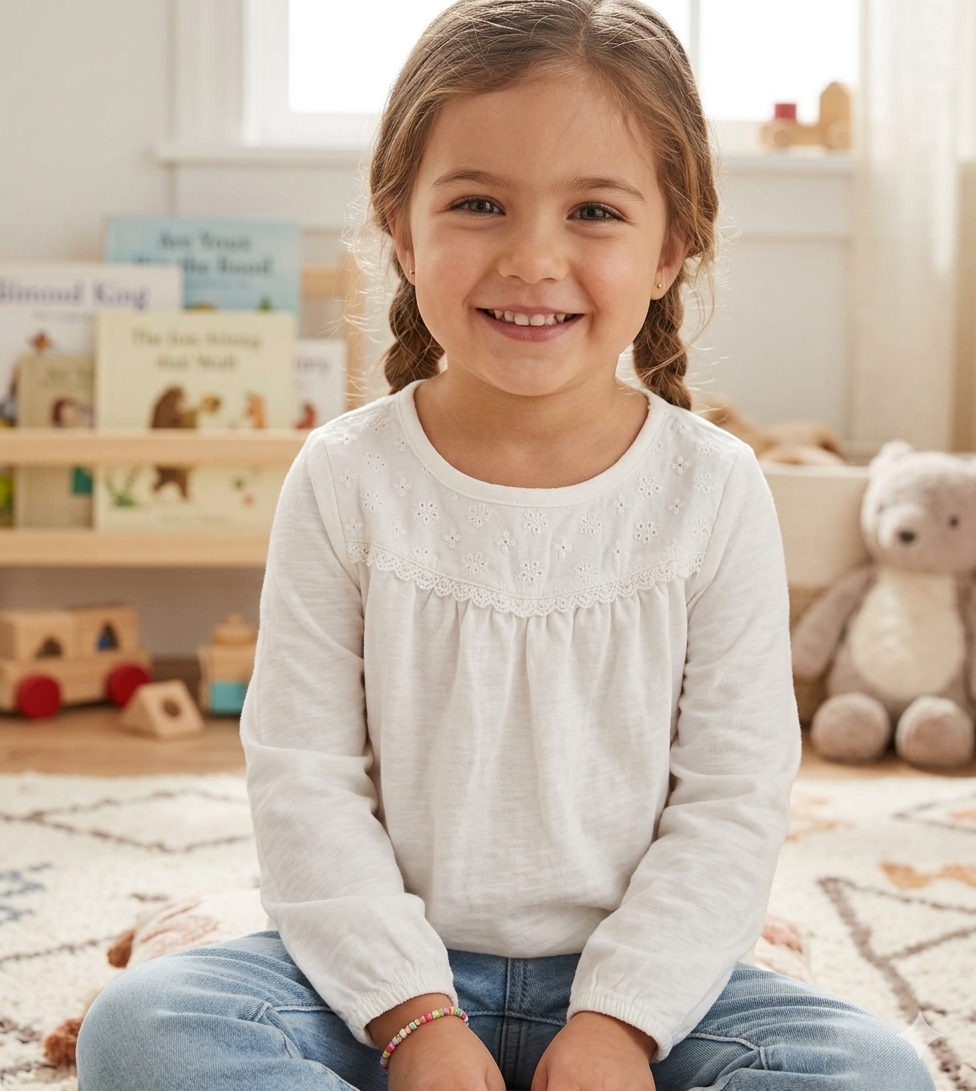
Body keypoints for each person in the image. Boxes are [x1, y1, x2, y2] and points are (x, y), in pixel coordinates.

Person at [76, 2, 937, 1089]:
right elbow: (303, 784)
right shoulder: (344, 477)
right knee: (146, 1024)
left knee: (870, 1070)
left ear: (673, 246)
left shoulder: (713, 486)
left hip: (648, 991)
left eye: (593, 211)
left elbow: (731, 796)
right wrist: (413, 1017)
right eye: (479, 203)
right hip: (381, 985)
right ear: (401, 225)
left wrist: (621, 1024)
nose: (534, 257)